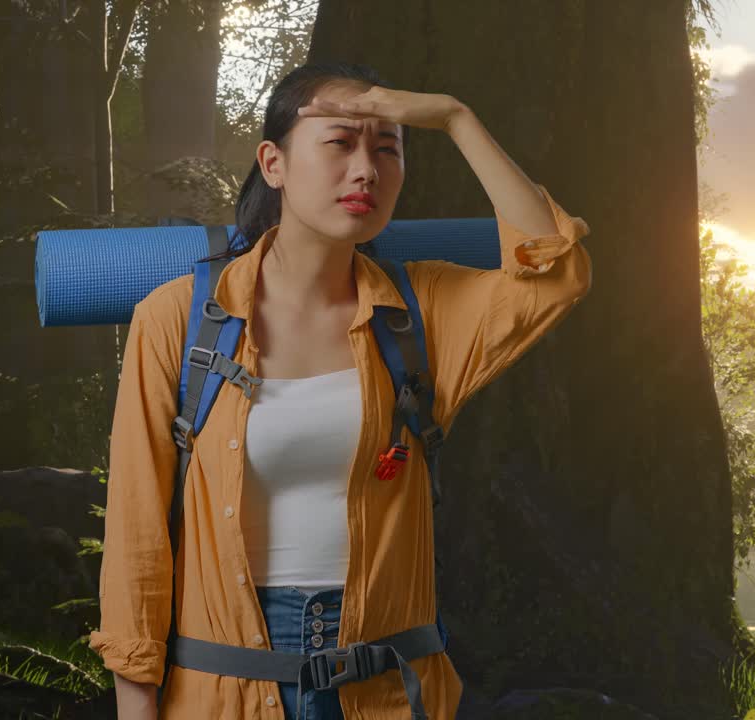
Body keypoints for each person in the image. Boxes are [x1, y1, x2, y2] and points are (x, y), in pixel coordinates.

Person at [89, 61, 592, 720]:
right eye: (339, 143)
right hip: (222, 691)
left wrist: (454, 117)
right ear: (273, 163)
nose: (367, 170)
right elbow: (138, 536)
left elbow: (556, 274)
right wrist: (135, 706)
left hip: (386, 693)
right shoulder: (177, 320)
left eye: (387, 149)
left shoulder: (424, 315)